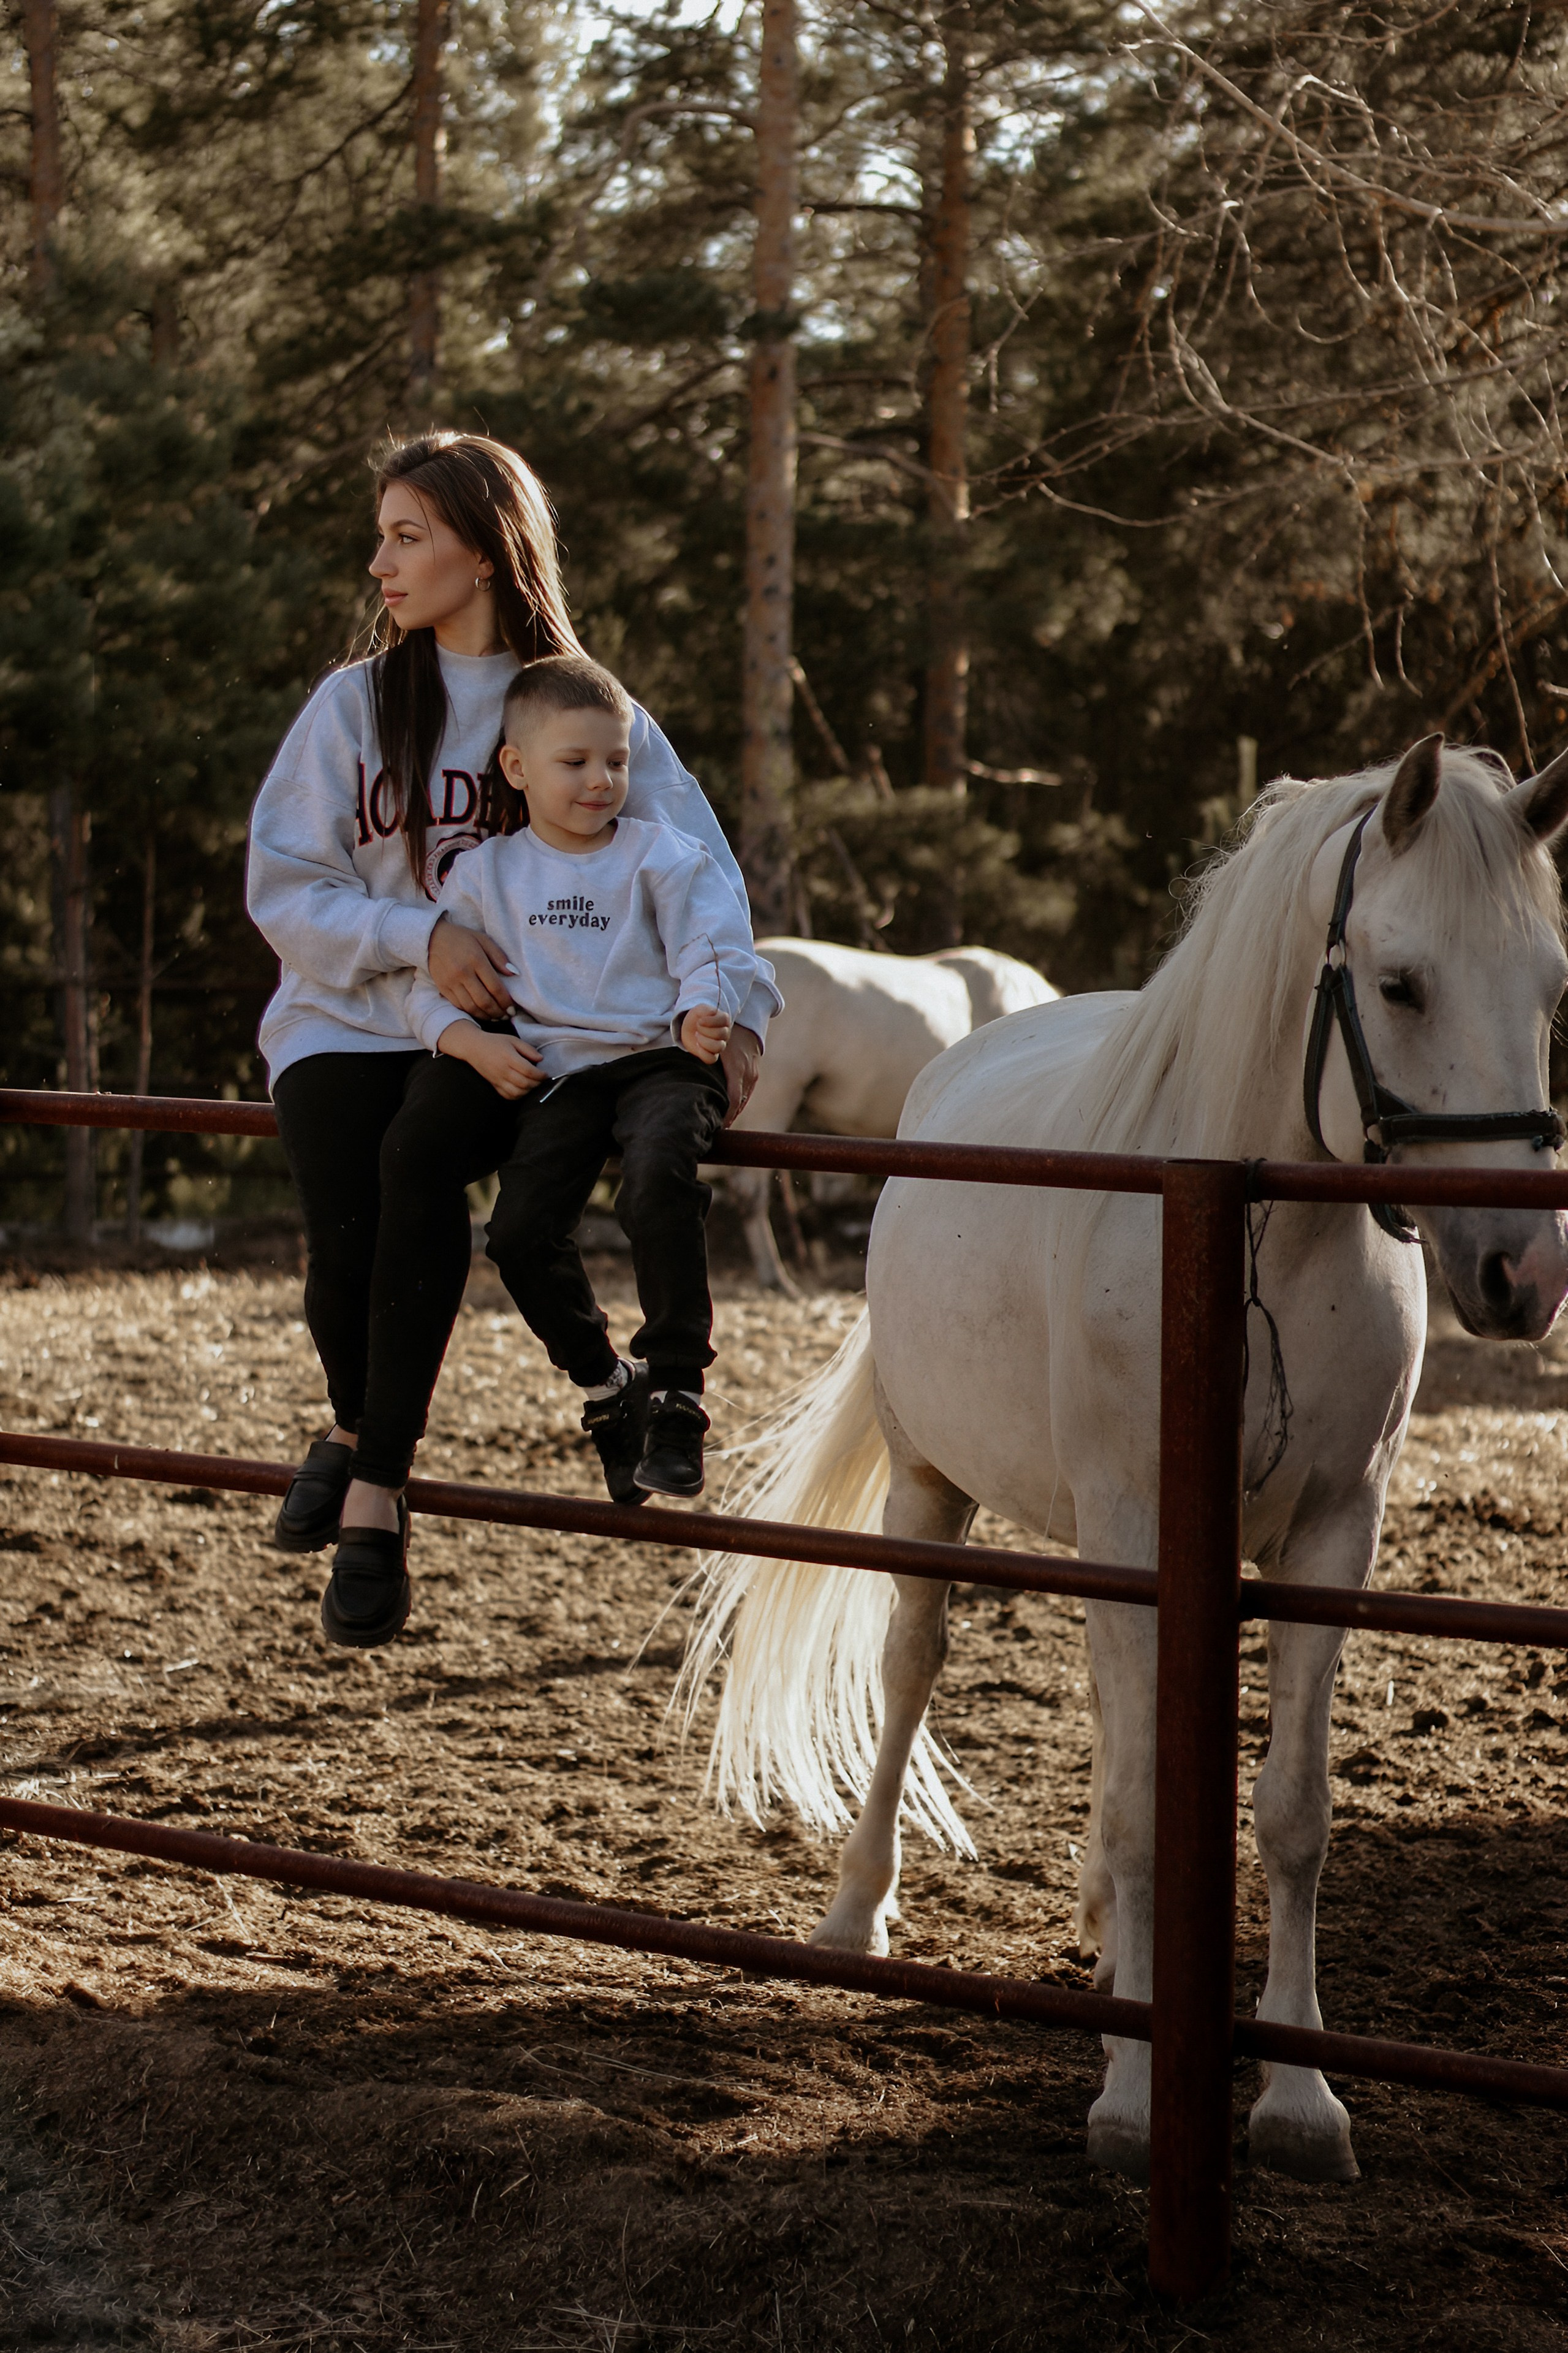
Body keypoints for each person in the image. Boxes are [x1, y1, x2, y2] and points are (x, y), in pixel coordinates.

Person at [245, 431, 780, 1652]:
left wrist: (734, 1017)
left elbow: (701, 874)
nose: (378, 561)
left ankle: (374, 1499)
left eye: (406, 535)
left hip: (509, 1034)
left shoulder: (577, 708)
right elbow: (283, 885)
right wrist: (415, 935)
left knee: (418, 1189)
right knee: (340, 1239)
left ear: (482, 551)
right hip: (350, 1009)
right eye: (381, 534)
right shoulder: (356, 704)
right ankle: (350, 1431)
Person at [406, 653, 766, 1530]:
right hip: (561, 1076)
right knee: (519, 1234)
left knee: (656, 1185)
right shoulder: (486, 876)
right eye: (575, 764)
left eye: (615, 762)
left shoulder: (659, 855)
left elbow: (714, 943)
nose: (602, 781)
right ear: (517, 769)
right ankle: (610, 1387)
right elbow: (429, 988)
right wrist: (470, 1049)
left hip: (661, 1063)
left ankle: (679, 1391)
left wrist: (704, 1013)